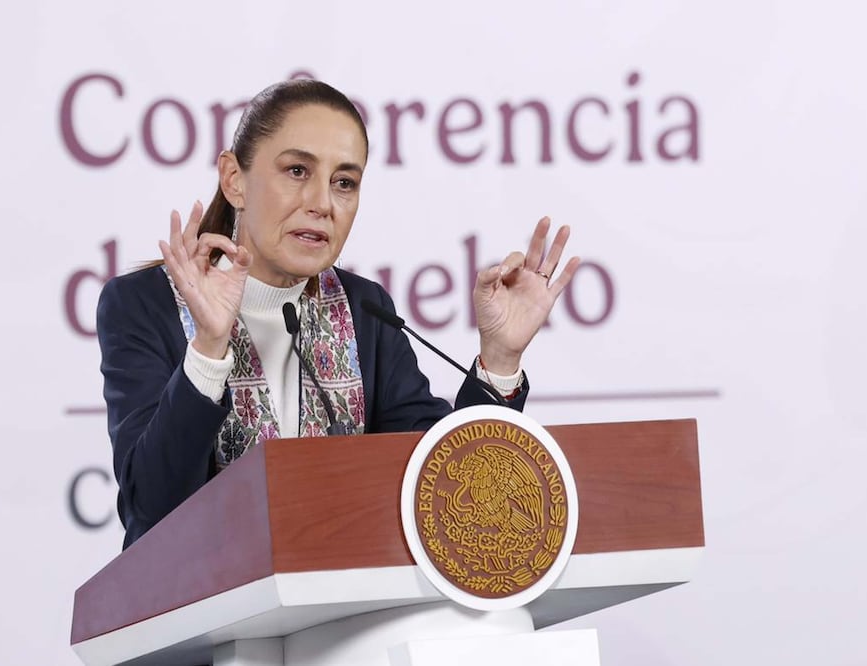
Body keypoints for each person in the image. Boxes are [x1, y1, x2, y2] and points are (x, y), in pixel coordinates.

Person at [97, 79, 580, 549]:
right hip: (203, 621)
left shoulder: (364, 311)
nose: (322, 204)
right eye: (296, 171)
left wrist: (498, 359)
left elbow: (446, 493)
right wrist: (207, 348)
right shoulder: (146, 304)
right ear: (234, 179)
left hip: (341, 620)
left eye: (343, 182)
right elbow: (151, 511)